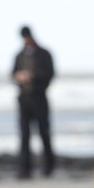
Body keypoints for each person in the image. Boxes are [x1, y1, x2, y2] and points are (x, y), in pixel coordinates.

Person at [12, 26, 55, 178]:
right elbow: (12, 73)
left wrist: (33, 76)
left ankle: (49, 167)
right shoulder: (19, 55)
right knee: (24, 135)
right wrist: (19, 77)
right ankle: (25, 169)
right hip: (24, 98)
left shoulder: (44, 54)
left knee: (44, 133)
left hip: (39, 97)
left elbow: (50, 74)